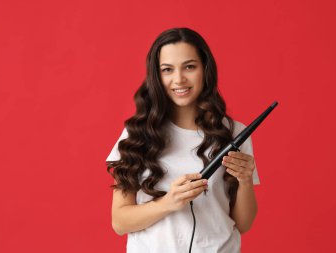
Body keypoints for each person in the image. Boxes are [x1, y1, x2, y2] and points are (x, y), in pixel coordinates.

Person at [106, 27, 260, 253]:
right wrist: (169, 202)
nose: (179, 79)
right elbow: (119, 222)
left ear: (205, 69)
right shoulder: (137, 134)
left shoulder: (235, 133)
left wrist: (246, 181)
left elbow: (243, 224)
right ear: (156, 76)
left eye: (189, 66)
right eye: (167, 70)